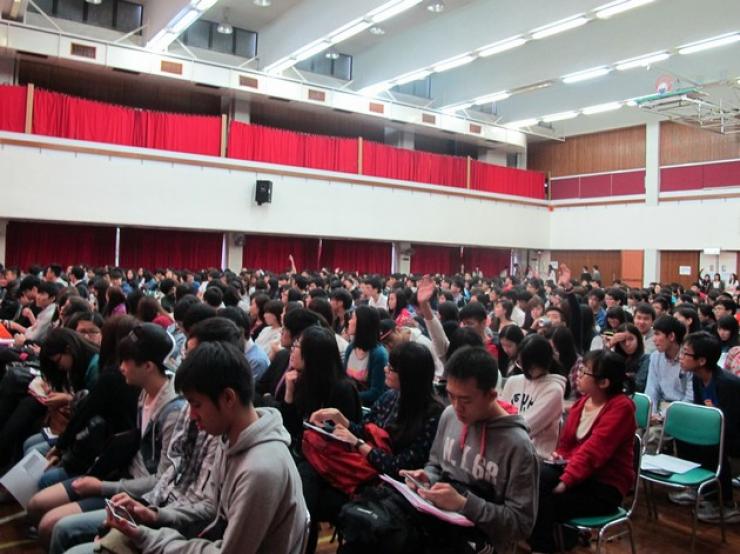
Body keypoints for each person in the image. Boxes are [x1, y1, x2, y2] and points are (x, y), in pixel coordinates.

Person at [99, 341, 308, 553]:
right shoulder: (229, 438)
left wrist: (148, 536)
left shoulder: (260, 470)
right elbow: (212, 511)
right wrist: (155, 516)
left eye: (196, 404)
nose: (191, 415)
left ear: (228, 398)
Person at [28, 323, 183, 547]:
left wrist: (101, 487)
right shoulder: (144, 393)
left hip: (138, 498)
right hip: (117, 476)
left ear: (148, 366)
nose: (120, 367)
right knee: (38, 504)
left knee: (54, 526)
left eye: (126, 362)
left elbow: (160, 481)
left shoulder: (172, 412)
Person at [306, 341, 444, 553]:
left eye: (392, 368)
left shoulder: (433, 415)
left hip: (389, 490)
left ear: (409, 376)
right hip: (365, 473)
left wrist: (359, 444)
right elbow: (364, 428)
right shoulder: (391, 397)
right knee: (309, 476)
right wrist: (339, 419)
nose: (384, 370)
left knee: (319, 499)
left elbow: (400, 467)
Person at [402, 346, 539, 553]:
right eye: (451, 396)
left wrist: (464, 504)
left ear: (491, 395)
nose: (457, 406)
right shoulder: (449, 415)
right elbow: (436, 464)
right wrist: (427, 477)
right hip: (439, 529)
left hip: (485, 543)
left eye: (465, 400)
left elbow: (521, 524)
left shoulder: (517, 446)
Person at [528, 350, 637, 553]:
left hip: (605, 486)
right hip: (580, 476)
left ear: (604, 382)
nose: (578, 374)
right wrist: (559, 456)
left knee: (542, 498)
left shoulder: (621, 408)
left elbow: (594, 451)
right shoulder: (582, 403)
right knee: (535, 479)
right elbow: (567, 445)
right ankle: (546, 544)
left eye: (584, 372)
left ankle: (543, 547)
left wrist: (566, 480)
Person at [673, 331, 740, 523]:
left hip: (733, 437)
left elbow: (732, 424)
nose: (681, 357)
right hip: (716, 432)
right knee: (684, 435)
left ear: (701, 360)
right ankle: (700, 487)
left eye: (686, 354)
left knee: (710, 443)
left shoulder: (728, 384)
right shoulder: (697, 377)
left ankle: (723, 503)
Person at [281, 326, 361, 452]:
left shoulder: (343, 390)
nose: (292, 349)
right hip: (303, 448)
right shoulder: (303, 378)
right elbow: (290, 428)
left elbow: (342, 442)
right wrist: (289, 393)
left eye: (297, 345)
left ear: (312, 354)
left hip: (326, 458)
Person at [501, 334, 566, 458]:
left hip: (537, 455)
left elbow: (527, 427)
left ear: (545, 362)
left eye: (531, 367)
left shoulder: (554, 390)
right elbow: (500, 415)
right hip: (508, 448)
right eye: (521, 364)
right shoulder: (513, 381)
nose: (526, 371)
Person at [645, 315, 693, 420]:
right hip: (659, 409)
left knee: (653, 434)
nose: (654, 339)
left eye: (657, 334)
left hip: (681, 413)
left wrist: (662, 416)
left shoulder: (689, 359)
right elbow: (651, 389)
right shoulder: (655, 357)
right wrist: (651, 413)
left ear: (671, 336)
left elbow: (690, 398)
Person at [345, 306, 388, 405]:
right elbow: (343, 378)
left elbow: (376, 392)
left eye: (353, 318)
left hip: (366, 406)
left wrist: (349, 396)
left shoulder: (379, 354)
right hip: (351, 401)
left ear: (362, 323)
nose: (349, 322)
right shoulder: (351, 348)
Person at [611, 323, 650, 393]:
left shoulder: (645, 358)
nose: (627, 344)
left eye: (631, 339)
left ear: (638, 339)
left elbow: (639, 386)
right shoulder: (615, 358)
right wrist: (609, 345)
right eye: (623, 341)